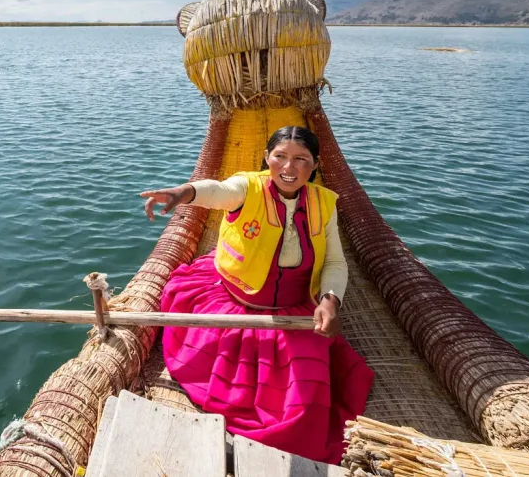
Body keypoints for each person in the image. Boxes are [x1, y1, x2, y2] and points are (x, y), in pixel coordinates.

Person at [139, 126, 374, 464]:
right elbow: (218, 191)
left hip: (293, 309)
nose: (288, 168)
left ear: (315, 165)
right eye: (279, 157)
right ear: (267, 158)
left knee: (306, 406)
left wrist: (330, 299)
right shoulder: (247, 187)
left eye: (300, 160)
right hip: (234, 303)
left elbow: (335, 261)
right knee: (227, 387)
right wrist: (184, 193)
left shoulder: (325, 203)